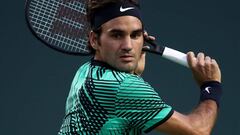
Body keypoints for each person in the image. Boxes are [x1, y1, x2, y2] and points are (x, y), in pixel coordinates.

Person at [58, 0, 222, 134]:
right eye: (117, 35)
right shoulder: (124, 87)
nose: (128, 46)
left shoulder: (85, 71)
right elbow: (198, 130)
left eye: (135, 35)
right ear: (94, 39)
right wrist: (210, 85)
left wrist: (134, 72)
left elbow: (117, 114)